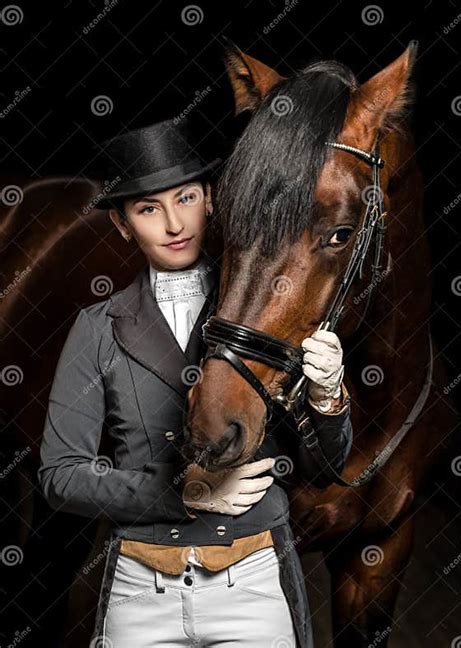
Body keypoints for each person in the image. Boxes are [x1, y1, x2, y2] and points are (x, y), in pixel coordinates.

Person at [38, 116, 353, 648]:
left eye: (185, 198)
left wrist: (328, 397)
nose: (172, 223)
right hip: (141, 587)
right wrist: (182, 493)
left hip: (251, 581)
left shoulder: (270, 309)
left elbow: (323, 468)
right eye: (147, 209)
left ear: (210, 198)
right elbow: (59, 477)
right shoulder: (96, 328)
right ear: (121, 224)